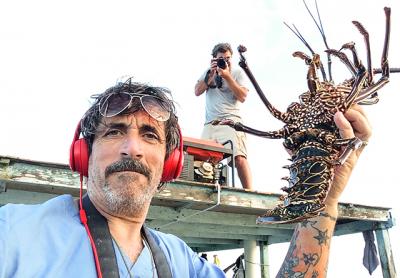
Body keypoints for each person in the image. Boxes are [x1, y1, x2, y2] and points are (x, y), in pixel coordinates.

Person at [0, 77, 371, 277]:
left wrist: (325, 200)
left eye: (150, 136)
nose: (133, 148)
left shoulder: (184, 263)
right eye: (114, 132)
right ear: (84, 153)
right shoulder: (13, 231)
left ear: (170, 162)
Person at [195, 42, 253, 190]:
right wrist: (211, 75)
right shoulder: (209, 72)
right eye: (221, 58)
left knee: (239, 157)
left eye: (228, 58)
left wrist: (227, 76)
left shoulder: (237, 73)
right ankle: (207, 190)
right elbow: (197, 91)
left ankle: (250, 192)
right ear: (214, 59)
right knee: (201, 159)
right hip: (210, 124)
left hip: (230, 122)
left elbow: (242, 96)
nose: (225, 61)